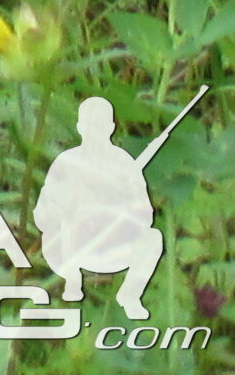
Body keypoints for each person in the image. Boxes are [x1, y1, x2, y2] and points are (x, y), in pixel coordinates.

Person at [35, 98, 165, 320]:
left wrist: (125, 201)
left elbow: (146, 217)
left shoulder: (124, 164)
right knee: (68, 222)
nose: (95, 130)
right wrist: (69, 207)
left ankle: (130, 296)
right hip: (71, 246)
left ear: (111, 128)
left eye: (101, 124)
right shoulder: (67, 162)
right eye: (89, 124)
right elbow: (42, 214)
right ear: (80, 127)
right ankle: (72, 285)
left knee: (153, 238)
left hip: (114, 243)